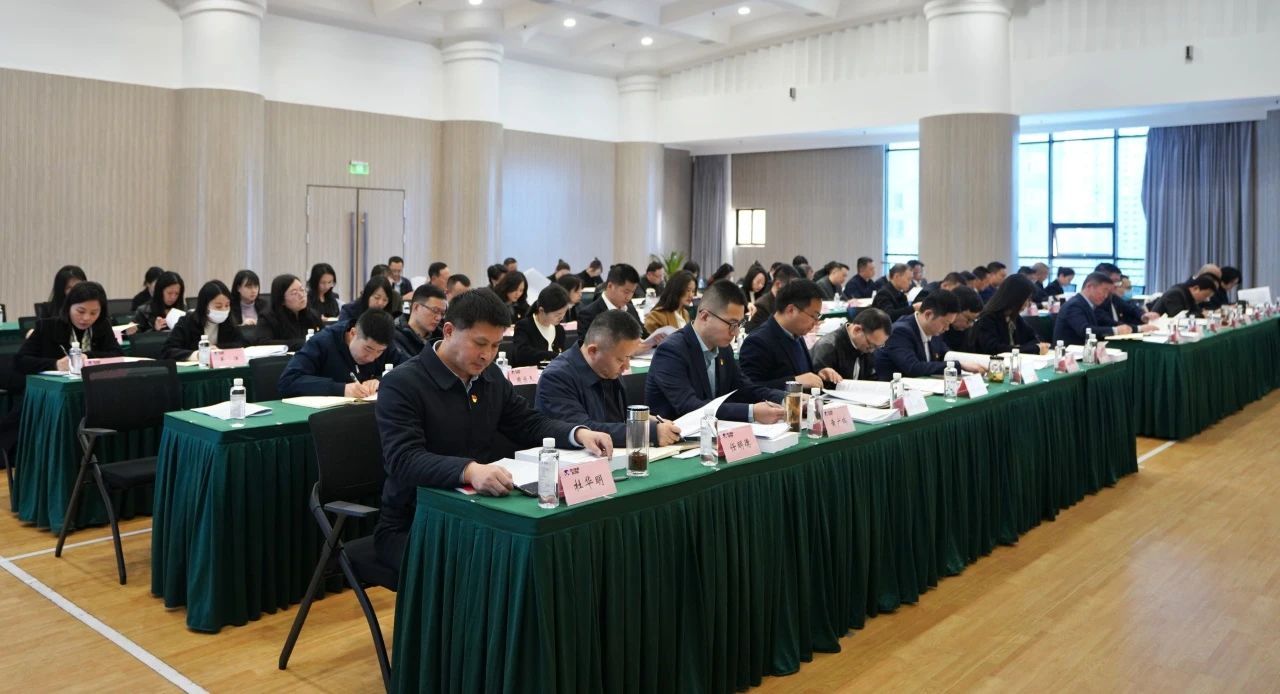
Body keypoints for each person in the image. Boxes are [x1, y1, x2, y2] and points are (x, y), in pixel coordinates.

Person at [373, 289, 613, 572]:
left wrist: (578, 434)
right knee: (496, 567)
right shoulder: (402, 383)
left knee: (552, 552)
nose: (487, 355)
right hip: (415, 522)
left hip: (480, 514)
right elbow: (403, 459)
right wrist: (470, 471)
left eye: (496, 345)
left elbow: (528, 423)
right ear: (448, 331)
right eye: (480, 343)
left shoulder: (489, 376)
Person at [535, 310, 683, 447]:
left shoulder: (607, 367)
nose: (626, 366)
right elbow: (585, 430)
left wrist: (643, 419)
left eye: (629, 357)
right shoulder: (556, 378)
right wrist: (647, 432)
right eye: (621, 359)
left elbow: (615, 419)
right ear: (593, 351)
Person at [645, 280, 786, 423]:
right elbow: (689, 407)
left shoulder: (724, 348)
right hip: (676, 433)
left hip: (714, 431)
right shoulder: (671, 351)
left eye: (739, 324)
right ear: (705, 316)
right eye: (732, 324)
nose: (736, 332)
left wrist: (785, 399)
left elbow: (745, 389)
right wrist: (751, 412)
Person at [739, 279, 843, 391]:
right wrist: (794, 382)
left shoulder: (796, 334)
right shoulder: (758, 341)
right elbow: (749, 389)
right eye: (814, 316)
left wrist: (818, 375)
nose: (816, 322)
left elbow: (802, 375)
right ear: (791, 310)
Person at [278, 310, 405, 398]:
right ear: (353, 333)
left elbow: (410, 370)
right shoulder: (322, 342)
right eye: (368, 349)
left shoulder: (383, 342)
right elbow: (288, 382)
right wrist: (341, 389)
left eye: (380, 352)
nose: (372, 358)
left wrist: (381, 380)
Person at [16, 281, 122, 376]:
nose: (86, 318)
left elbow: (118, 355)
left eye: (93, 313)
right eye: (81, 311)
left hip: (94, 385)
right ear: (69, 307)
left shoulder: (102, 325)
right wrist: (56, 364)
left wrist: (87, 357)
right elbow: (20, 361)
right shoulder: (47, 326)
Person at [875, 290, 983, 379]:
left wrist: (975, 362)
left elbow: (945, 353)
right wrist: (958, 365)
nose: (947, 328)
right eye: (945, 323)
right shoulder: (900, 331)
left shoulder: (934, 331)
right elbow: (913, 368)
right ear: (928, 315)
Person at [161, 280, 247, 360]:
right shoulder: (187, 322)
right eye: (218, 306)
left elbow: (243, 345)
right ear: (205, 306)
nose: (224, 310)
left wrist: (218, 348)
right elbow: (167, 351)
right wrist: (198, 355)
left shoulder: (229, 322)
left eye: (227, 305)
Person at [967, 274, 1049, 356]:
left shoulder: (1014, 317)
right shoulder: (987, 319)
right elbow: (994, 349)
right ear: (1014, 297)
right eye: (1026, 299)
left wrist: (1020, 348)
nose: (1028, 304)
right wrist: (1029, 349)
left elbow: (1036, 339)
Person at [1052, 272, 1137, 346]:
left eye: (1108, 292)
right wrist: (1115, 330)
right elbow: (1085, 330)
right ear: (1089, 286)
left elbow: (1105, 325)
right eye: (1104, 290)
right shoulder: (1074, 305)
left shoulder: (1089, 304)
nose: (1106, 296)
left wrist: (1131, 328)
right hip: (1069, 354)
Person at [812, 307, 892, 382]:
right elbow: (818, 385)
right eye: (870, 344)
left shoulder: (866, 346)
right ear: (857, 330)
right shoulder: (828, 347)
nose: (872, 350)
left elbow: (871, 379)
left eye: (878, 346)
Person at [257, 274, 324, 350]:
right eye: (294, 293)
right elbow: (263, 343)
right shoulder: (267, 317)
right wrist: (302, 343)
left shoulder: (313, 315)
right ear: (281, 300)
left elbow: (325, 339)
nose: (301, 295)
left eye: (302, 290)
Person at [575, 263, 643, 337]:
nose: (629, 297)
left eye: (632, 292)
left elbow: (643, 335)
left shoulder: (631, 309)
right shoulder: (588, 315)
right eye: (626, 292)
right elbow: (586, 343)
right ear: (610, 286)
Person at [510, 283, 570, 367]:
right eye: (558, 314)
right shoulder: (524, 326)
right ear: (541, 310)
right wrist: (554, 356)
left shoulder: (559, 330)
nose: (562, 317)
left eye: (564, 312)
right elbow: (521, 354)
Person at [744, 264, 800, 334]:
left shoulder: (788, 304)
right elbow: (756, 335)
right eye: (791, 288)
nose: (794, 292)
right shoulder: (761, 306)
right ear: (778, 284)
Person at [394, 284, 447, 357]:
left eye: (442, 313)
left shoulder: (441, 339)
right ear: (416, 307)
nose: (438, 318)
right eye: (435, 310)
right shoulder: (394, 336)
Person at [1149, 275, 1217, 318]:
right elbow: (1178, 316)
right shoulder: (1176, 293)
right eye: (1205, 295)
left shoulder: (1189, 295)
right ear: (1196, 288)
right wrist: (1201, 315)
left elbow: (1196, 311)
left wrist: (1201, 314)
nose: (1206, 299)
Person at [941, 286, 984, 351]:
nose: (970, 325)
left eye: (973, 320)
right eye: (968, 319)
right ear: (955, 311)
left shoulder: (969, 333)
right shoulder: (937, 330)